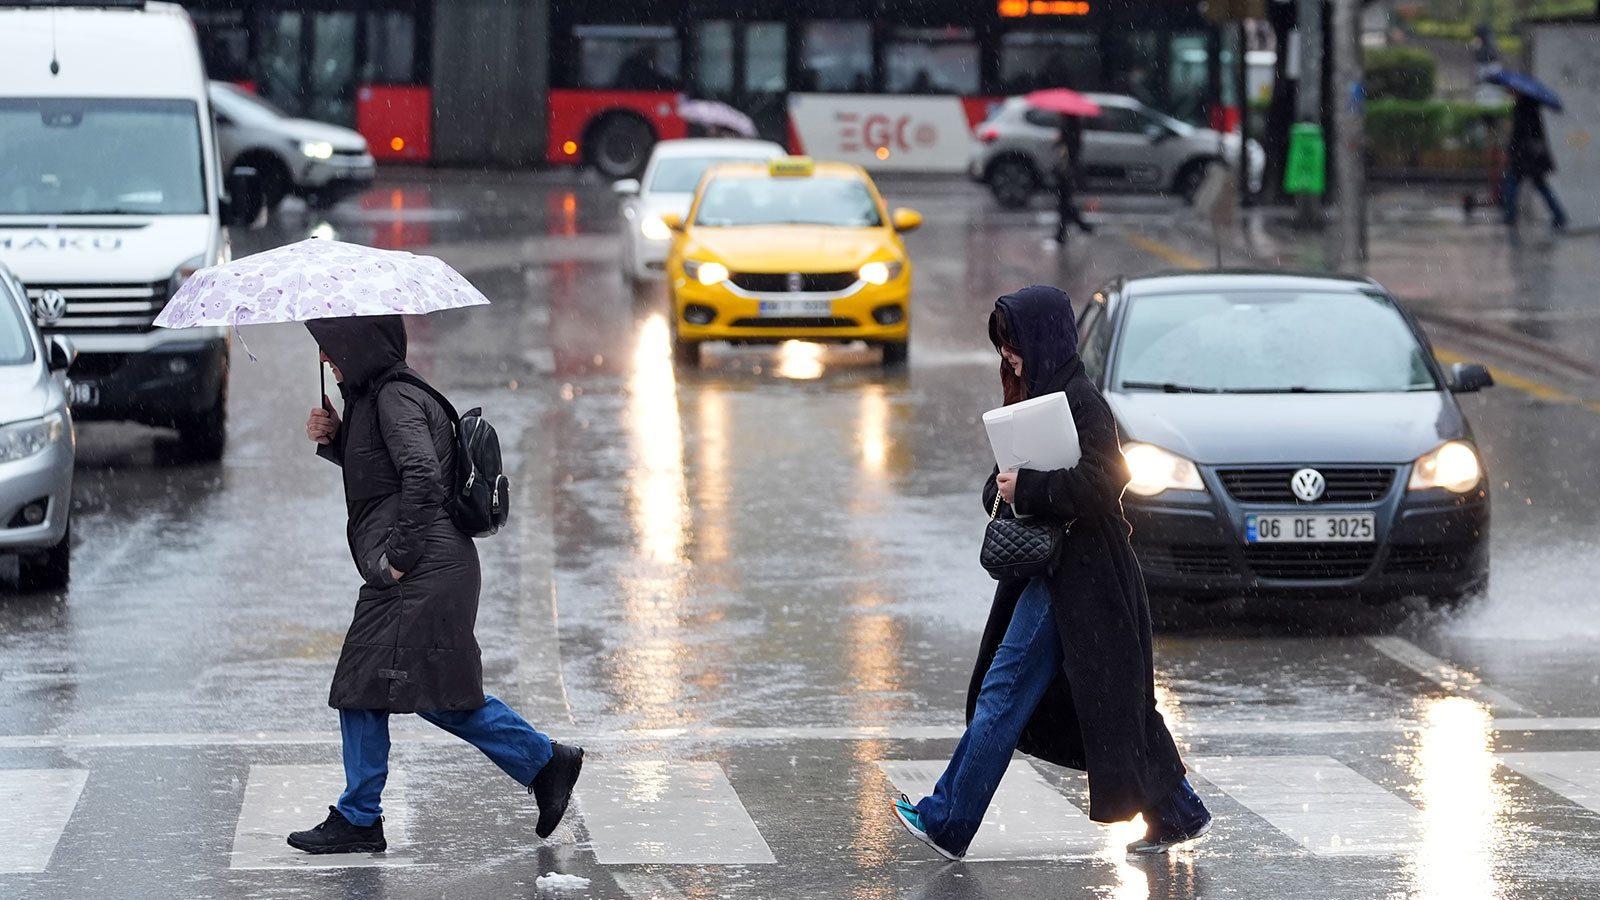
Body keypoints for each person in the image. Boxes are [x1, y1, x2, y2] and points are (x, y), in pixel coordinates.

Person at [892, 285, 1210, 860]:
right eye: (1003, 346)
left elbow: (1106, 481)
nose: (1008, 357)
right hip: (1053, 572)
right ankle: (1179, 810)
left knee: (1007, 693)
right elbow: (996, 485)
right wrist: (1008, 486)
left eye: (1012, 344)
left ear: (1041, 339)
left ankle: (947, 819)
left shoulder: (1083, 401)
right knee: (1115, 705)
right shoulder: (1036, 397)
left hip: (1084, 577)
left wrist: (1031, 487)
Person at [291, 315, 583, 854]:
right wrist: (337, 438)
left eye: (331, 348)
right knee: (431, 692)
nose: (327, 360)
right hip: (431, 569)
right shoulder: (378, 396)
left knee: (364, 685)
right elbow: (384, 474)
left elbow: (422, 475)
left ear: (356, 346)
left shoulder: (394, 398)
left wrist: (397, 558)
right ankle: (545, 762)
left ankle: (359, 817)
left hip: (420, 570)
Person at [1503, 95, 1567, 232]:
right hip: (1533, 157)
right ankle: (1559, 214)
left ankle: (1510, 216)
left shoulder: (1522, 107)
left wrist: (1510, 148)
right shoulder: (1533, 106)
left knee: (1510, 183)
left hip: (1524, 157)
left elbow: (1519, 134)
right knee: (1541, 185)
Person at [1052, 117, 1093, 243]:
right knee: (1064, 202)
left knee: (1064, 202)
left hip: (1066, 170)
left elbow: (1065, 150)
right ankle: (1078, 226)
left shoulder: (1068, 127)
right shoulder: (1073, 126)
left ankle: (1064, 232)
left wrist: (1058, 141)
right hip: (1069, 169)